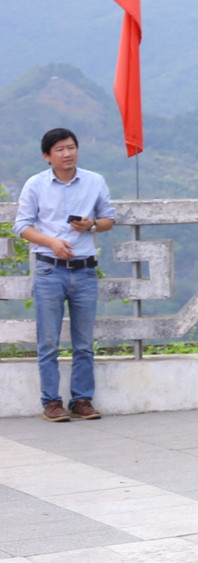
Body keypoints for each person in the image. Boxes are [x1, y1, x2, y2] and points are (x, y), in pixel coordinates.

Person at [15, 128, 115, 423]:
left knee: (84, 342)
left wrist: (92, 224)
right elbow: (21, 226)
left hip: (84, 270)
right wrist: (52, 242)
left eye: (71, 147)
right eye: (59, 149)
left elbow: (109, 218)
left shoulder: (95, 181)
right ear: (47, 156)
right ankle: (51, 402)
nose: (67, 153)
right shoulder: (35, 185)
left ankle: (82, 399)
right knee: (48, 341)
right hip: (48, 269)